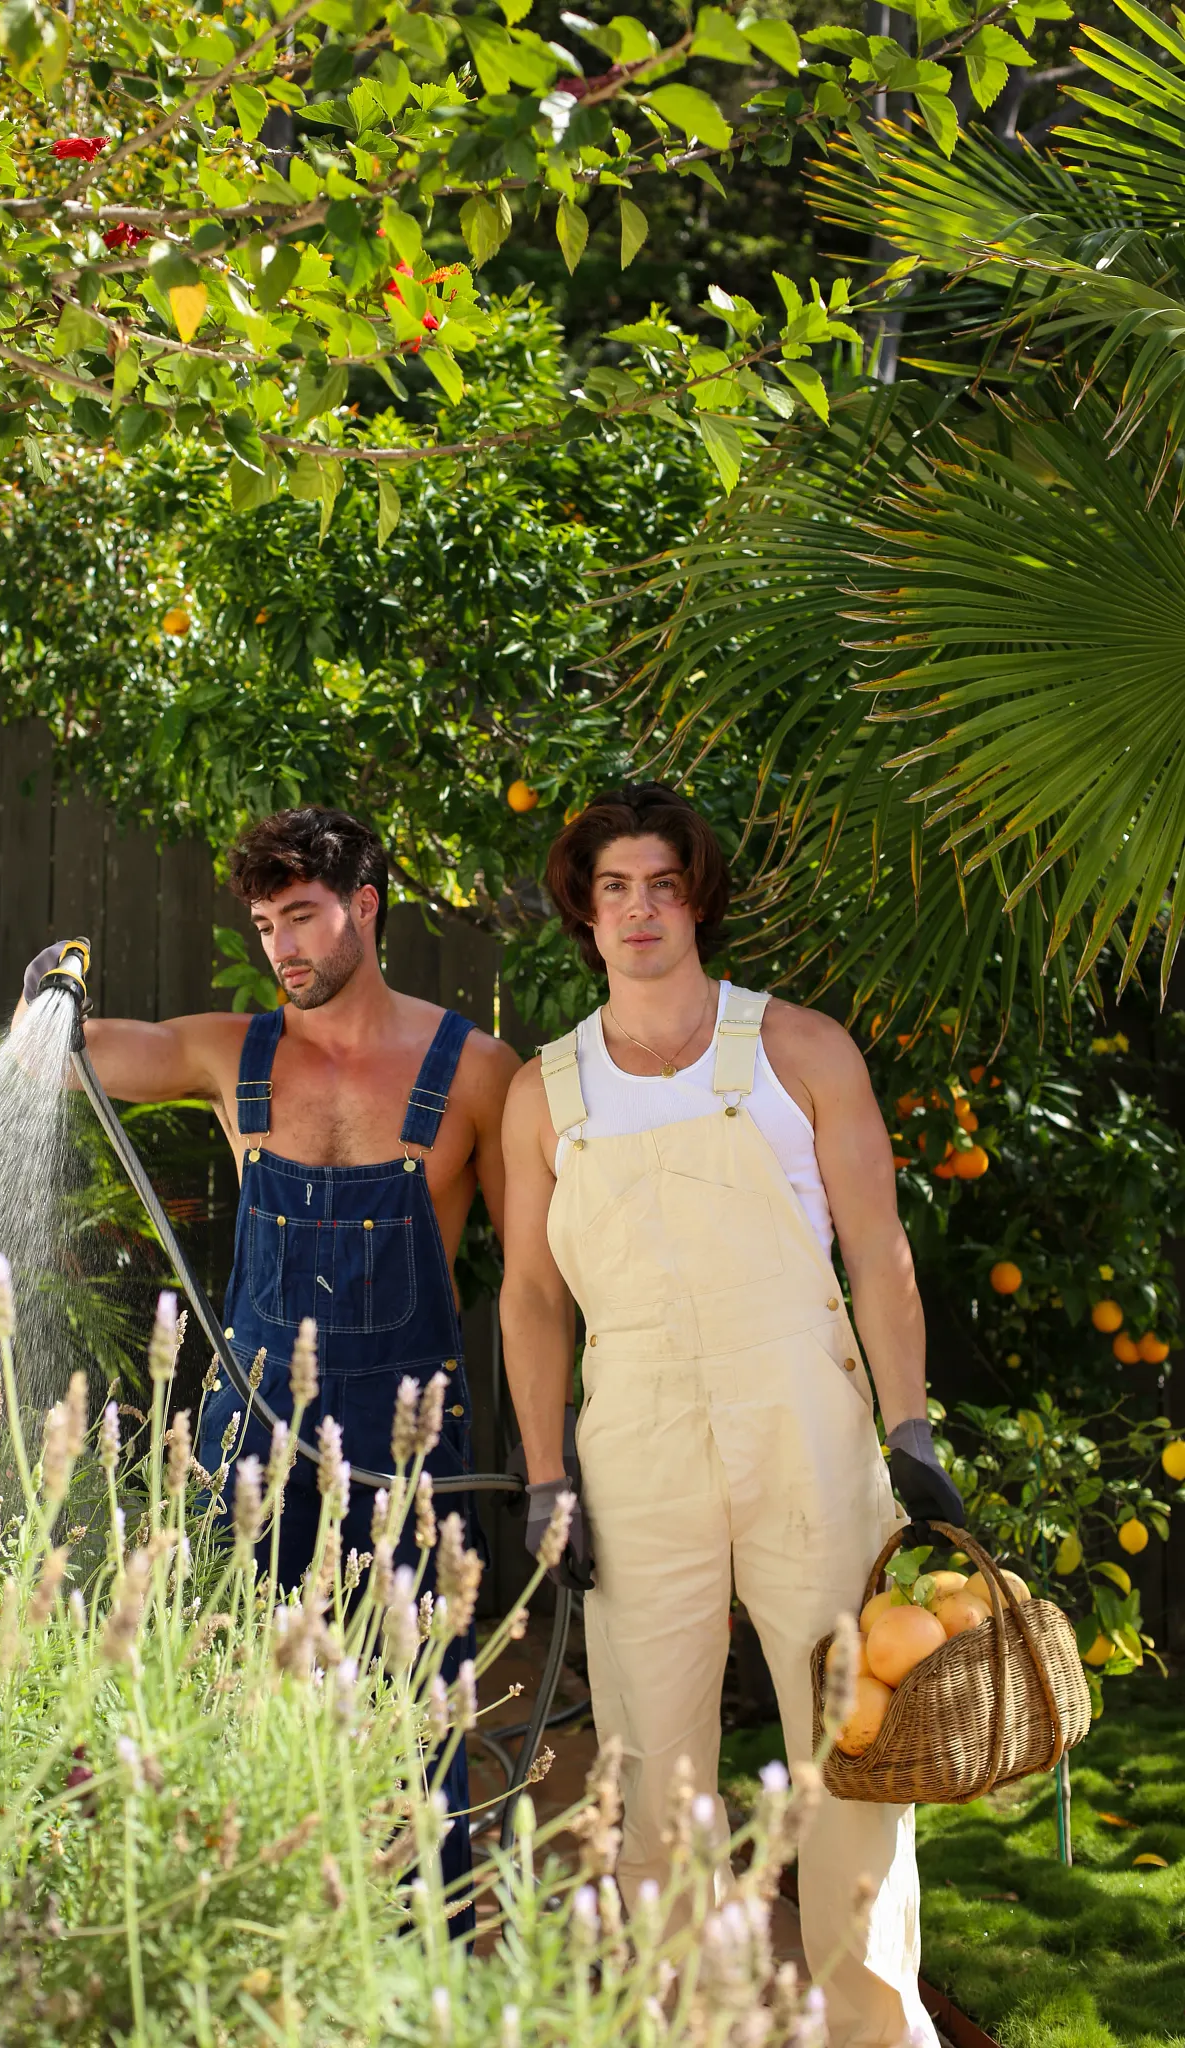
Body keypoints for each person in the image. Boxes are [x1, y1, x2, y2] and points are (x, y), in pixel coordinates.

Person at [498, 782, 960, 2047]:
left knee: (851, 1747)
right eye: (613, 888)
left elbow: (879, 1251)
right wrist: (548, 1473)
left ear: (694, 897)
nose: (639, 910)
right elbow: (533, 1297)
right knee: (649, 1766)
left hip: (801, 1415)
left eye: (660, 883)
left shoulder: (800, 1050)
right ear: (583, 915)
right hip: (634, 1434)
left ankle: (879, 2028)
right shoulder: (546, 1093)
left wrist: (908, 1428)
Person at [17, 806, 519, 1927]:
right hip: (247, 1442)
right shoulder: (226, 1049)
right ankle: (250, 1955)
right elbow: (63, 1058)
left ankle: (421, 1963)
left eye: (302, 916)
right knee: (238, 1707)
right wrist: (50, 986)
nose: (282, 945)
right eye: (263, 923)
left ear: (367, 908)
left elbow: (535, 1284)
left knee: (416, 1726)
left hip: (408, 1447)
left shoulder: (477, 1071)